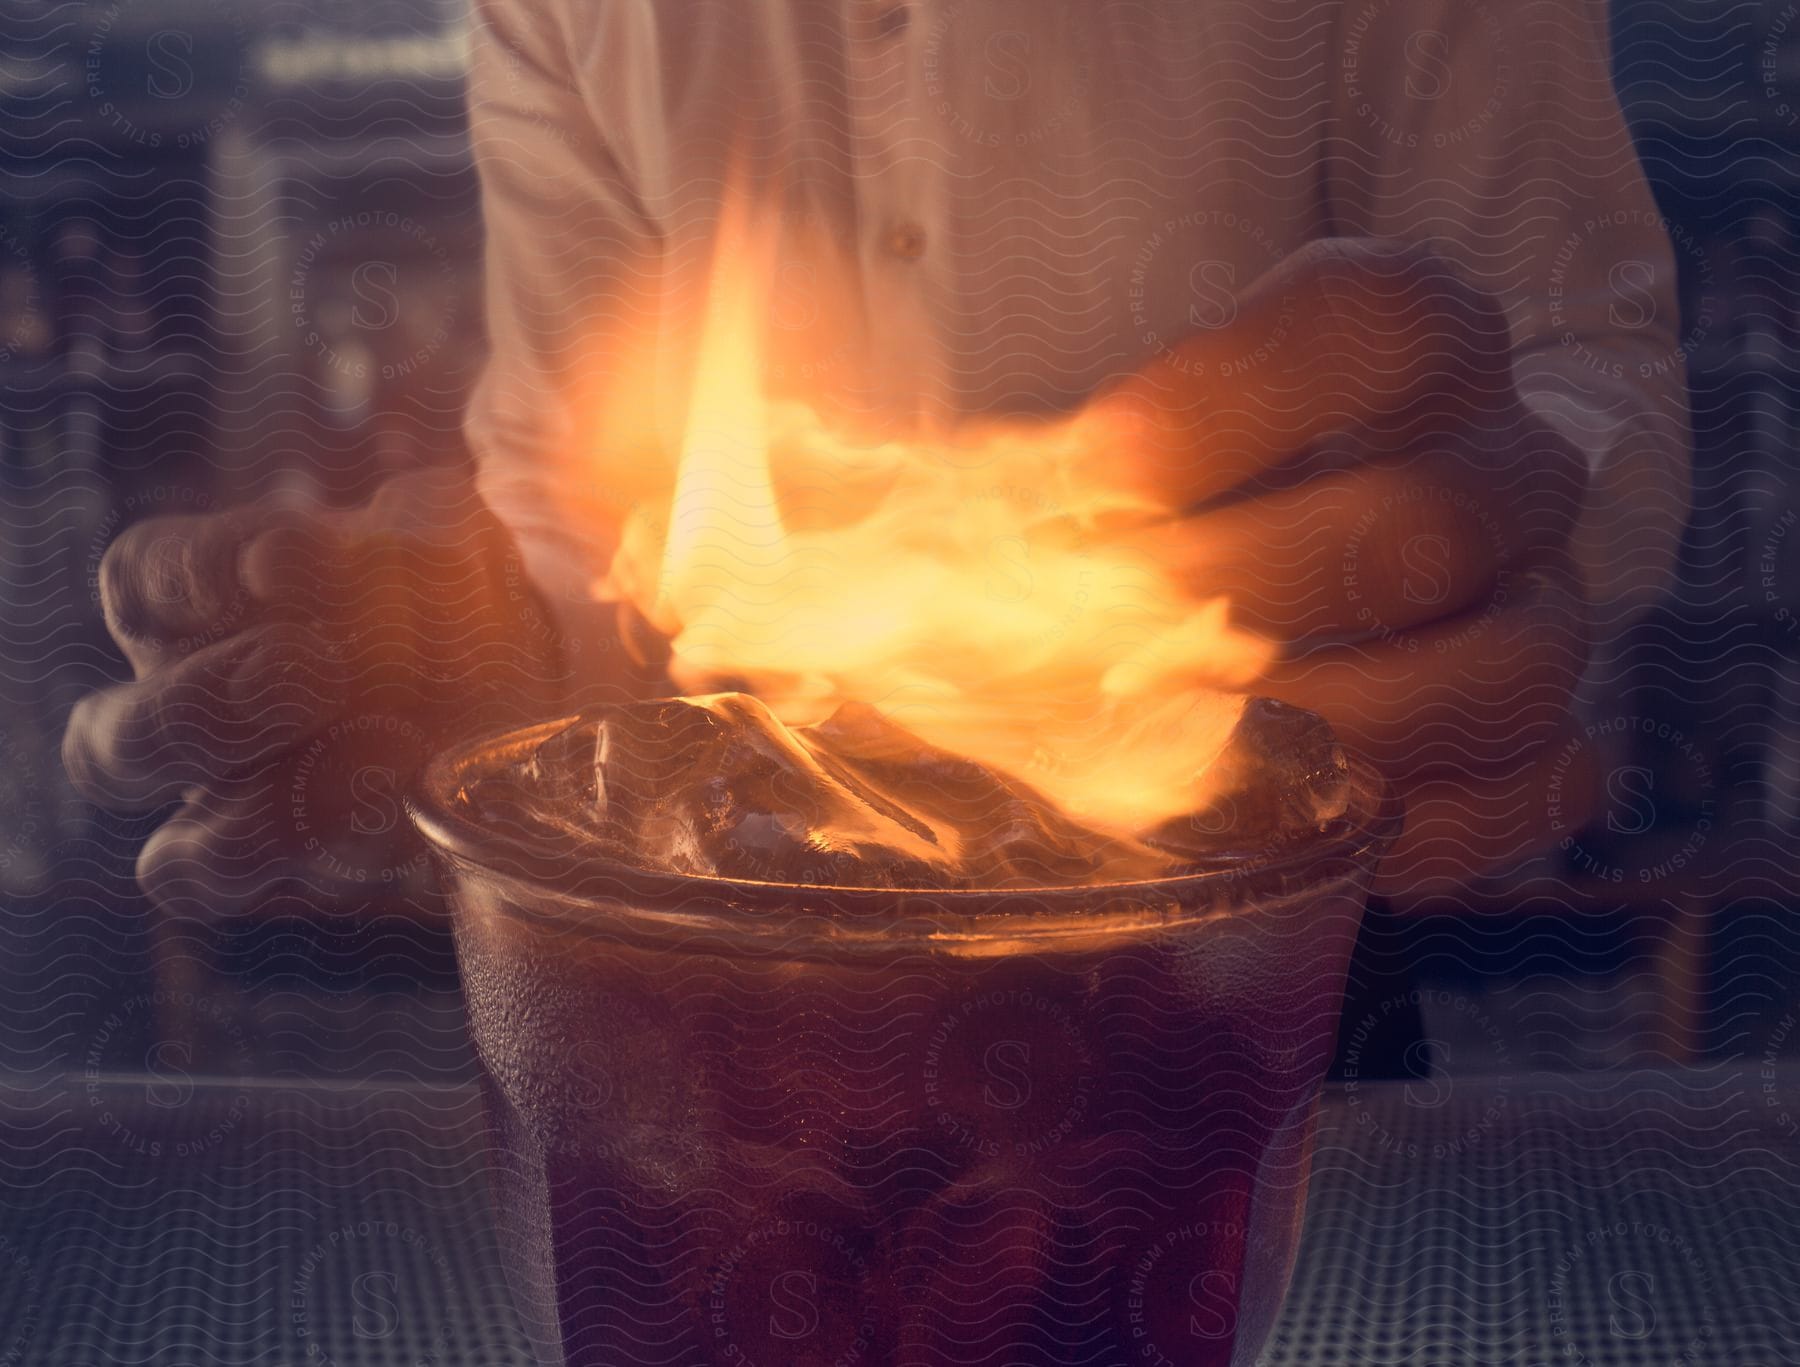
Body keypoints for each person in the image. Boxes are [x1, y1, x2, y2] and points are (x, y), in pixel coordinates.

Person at [63, 0, 1690, 913]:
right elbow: (577, 513)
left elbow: (1579, 351)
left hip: (1240, 955)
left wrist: (1488, 550)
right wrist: (497, 671)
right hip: (735, 982)